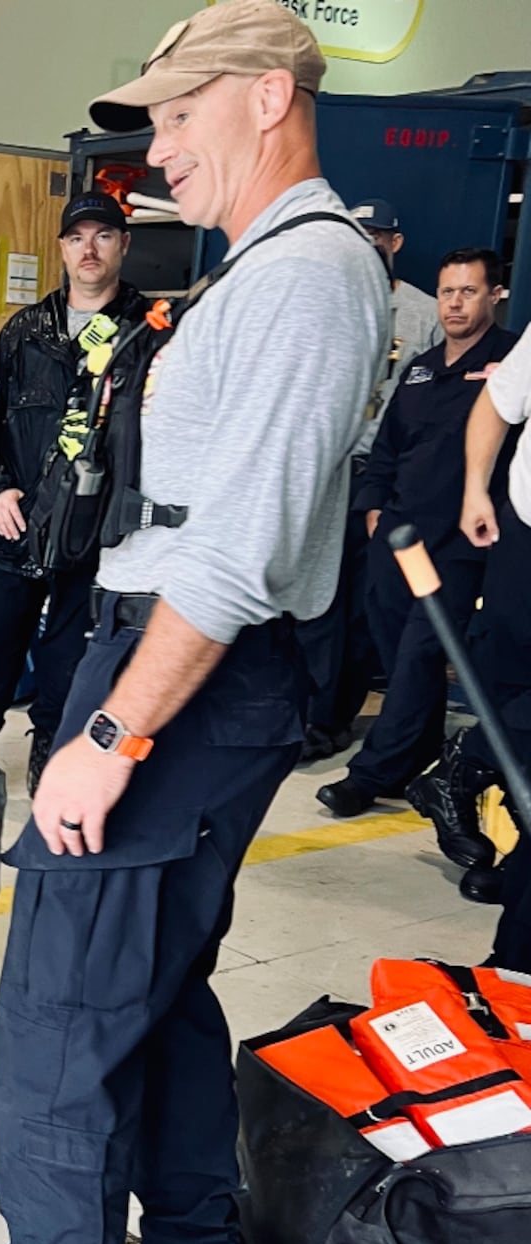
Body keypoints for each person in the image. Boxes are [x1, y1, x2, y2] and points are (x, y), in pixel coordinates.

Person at [0, 5, 388, 1244]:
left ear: (273, 98)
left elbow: (230, 555)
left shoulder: (303, 276)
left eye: (178, 113)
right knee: (156, 987)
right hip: (189, 664)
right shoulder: (271, 267)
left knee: (55, 1017)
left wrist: (110, 733)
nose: (154, 148)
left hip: (187, 678)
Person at [0, 193, 148, 795]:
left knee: (73, 661)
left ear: (123, 245)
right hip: (16, 527)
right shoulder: (25, 332)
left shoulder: (148, 335)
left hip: (96, 538)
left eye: (103, 236)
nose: (89, 249)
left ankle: (53, 754)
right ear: (61, 248)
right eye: (77, 237)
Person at [316, 249, 518, 820]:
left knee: (421, 655)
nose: (456, 304)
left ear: (494, 296)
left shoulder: (508, 364)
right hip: (397, 536)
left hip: (460, 544)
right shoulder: (422, 367)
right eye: (448, 292)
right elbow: (388, 447)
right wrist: (373, 508)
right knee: (391, 647)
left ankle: (370, 775)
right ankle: (420, 747)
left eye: (469, 292)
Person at [296, 198, 442, 761]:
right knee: (315, 602)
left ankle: (336, 717)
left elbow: (432, 404)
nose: (368, 242)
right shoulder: (325, 302)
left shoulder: (423, 313)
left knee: (364, 608)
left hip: (382, 477)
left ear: (395, 242)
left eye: (378, 234)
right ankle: (310, 717)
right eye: (359, 233)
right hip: (324, 471)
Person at [405, 325, 531, 925]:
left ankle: (466, 765)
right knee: (511, 690)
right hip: (527, 540)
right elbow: (498, 403)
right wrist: (476, 491)